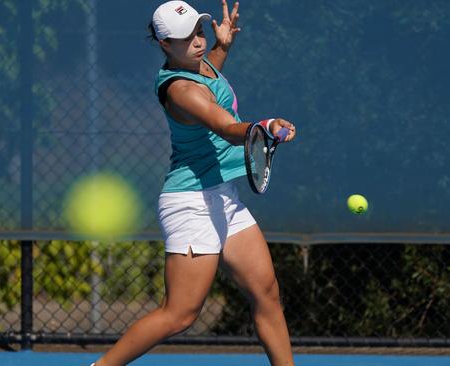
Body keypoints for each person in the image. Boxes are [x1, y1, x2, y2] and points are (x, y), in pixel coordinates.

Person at [91, 1, 296, 365]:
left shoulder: (198, 66)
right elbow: (226, 128)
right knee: (181, 314)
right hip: (191, 203)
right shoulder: (180, 91)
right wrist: (263, 128)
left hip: (223, 197)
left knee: (266, 294)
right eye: (186, 38)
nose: (198, 41)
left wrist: (223, 47)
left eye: (199, 31)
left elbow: (209, 75)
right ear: (164, 44)